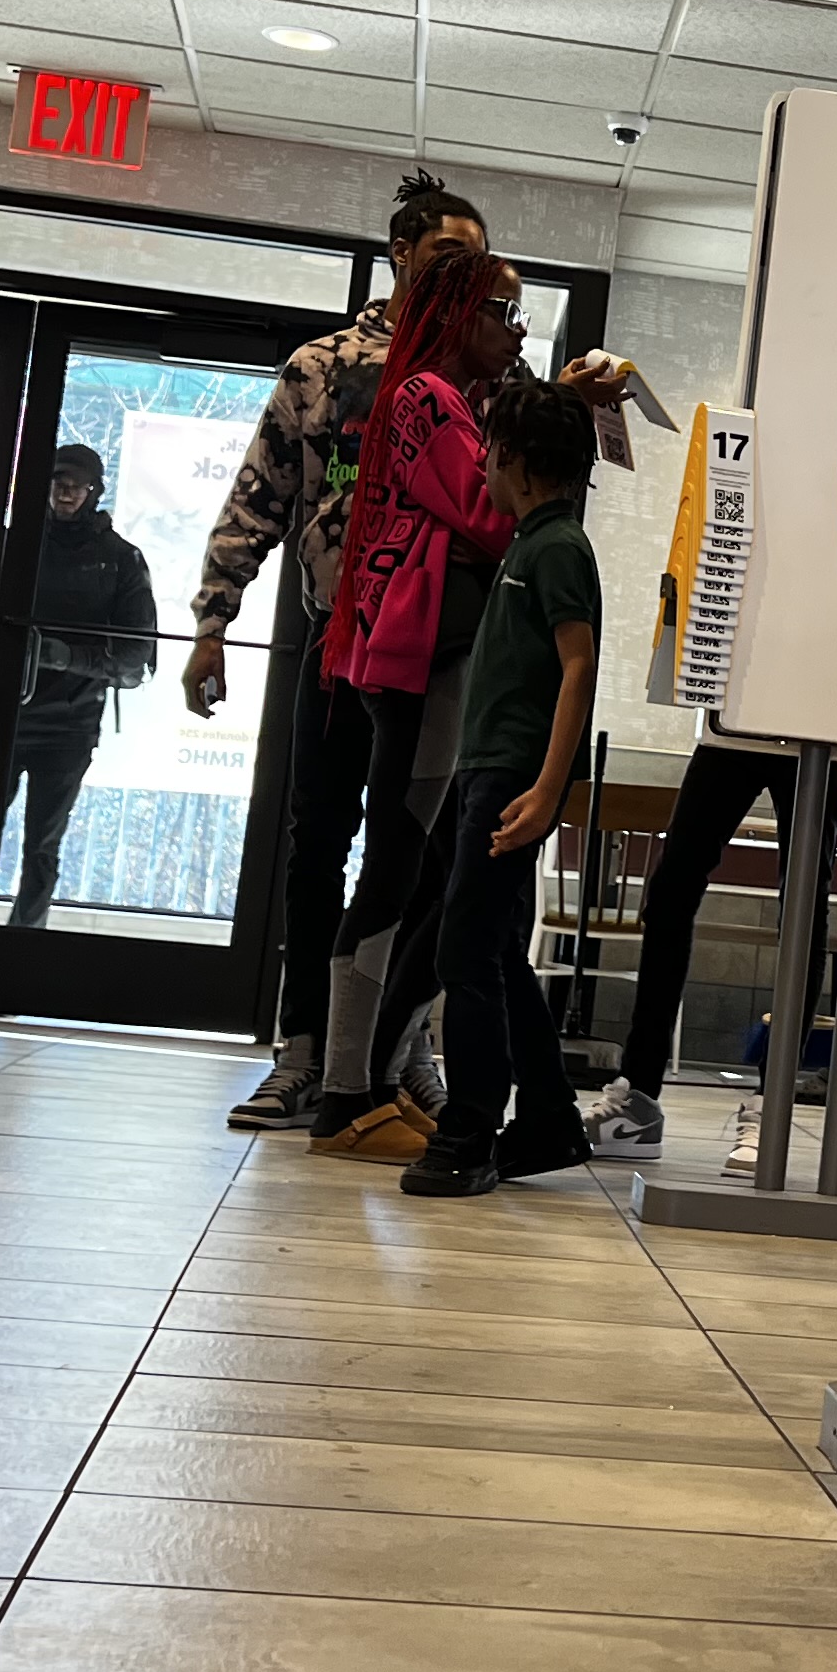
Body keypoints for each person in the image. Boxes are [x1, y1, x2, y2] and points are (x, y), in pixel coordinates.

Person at [191, 169, 493, 1134]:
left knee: (424, 859)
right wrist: (212, 623)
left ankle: (402, 1053)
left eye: (475, 262)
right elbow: (260, 494)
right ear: (401, 255)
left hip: (444, 654)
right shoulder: (323, 366)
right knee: (317, 841)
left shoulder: (484, 375)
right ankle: (303, 1054)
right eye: (446, 256)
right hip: (339, 637)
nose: (461, 276)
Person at [304, 244, 526, 1163]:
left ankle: (371, 1082)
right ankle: (343, 1098)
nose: (515, 333)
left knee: (421, 877)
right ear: (457, 314)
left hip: (427, 656)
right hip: (421, 659)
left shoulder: (446, 400)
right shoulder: (428, 399)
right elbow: (494, 514)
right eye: (502, 313)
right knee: (396, 874)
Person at [399, 374, 605, 1197]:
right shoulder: (529, 542)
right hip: (486, 767)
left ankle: (469, 1132)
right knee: (494, 951)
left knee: (464, 950)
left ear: (517, 461)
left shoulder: (558, 548)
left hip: (514, 776)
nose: (481, 466)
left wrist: (548, 789)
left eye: (488, 452)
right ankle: (549, 1117)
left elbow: (579, 667)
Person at [574, 746, 837, 1163]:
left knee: (803, 909)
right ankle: (637, 1100)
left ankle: (772, 1105)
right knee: (669, 894)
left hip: (816, 736)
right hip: (737, 731)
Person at [3, 443, 157, 927]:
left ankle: (16, 950)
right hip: (2, 713)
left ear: (95, 491)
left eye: (77, 485)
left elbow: (137, 654)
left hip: (69, 724)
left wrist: (68, 657)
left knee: (42, 847)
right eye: (58, 482)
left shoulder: (121, 559)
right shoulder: (12, 544)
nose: (66, 493)